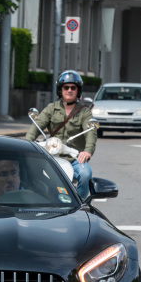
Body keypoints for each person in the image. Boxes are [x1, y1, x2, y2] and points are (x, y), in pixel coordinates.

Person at [26, 70, 96, 198]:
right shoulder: (51, 108)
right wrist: (26, 145)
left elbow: (91, 132)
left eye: (73, 87)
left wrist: (87, 151)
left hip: (75, 158)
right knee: (29, 170)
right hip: (51, 156)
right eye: (66, 87)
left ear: (78, 90)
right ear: (60, 90)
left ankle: (80, 203)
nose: (69, 90)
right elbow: (36, 127)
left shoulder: (84, 112)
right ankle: (38, 199)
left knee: (86, 175)